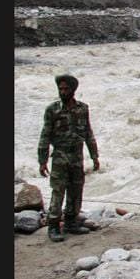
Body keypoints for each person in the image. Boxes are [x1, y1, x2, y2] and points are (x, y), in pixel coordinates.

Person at [38, 74, 100, 242]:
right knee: (58, 190)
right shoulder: (53, 110)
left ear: (73, 90)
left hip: (77, 154)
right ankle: (53, 225)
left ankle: (71, 222)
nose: (62, 92)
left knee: (76, 187)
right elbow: (45, 135)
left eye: (66, 89)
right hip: (60, 154)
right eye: (60, 89)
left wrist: (95, 156)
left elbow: (88, 133)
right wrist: (42, 161)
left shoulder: (82, 108)